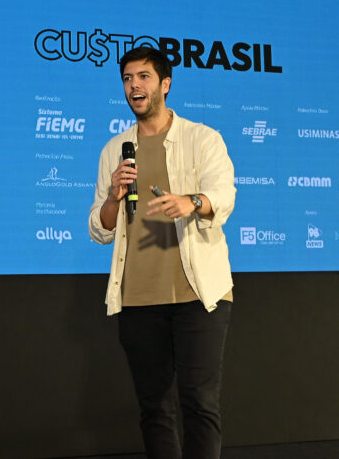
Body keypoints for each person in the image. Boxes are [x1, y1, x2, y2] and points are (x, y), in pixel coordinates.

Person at [88, 46, 236, 459]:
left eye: (143, 77)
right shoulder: (114, 149)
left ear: (165, 84)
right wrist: (114, 196)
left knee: (199, 403)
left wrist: (192, 201)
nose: (133, 86)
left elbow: (223, 195)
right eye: (127, 79)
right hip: (137, 298)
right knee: (154, 409)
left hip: (198, 294)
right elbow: (100, 228)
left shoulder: (201, 138)